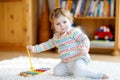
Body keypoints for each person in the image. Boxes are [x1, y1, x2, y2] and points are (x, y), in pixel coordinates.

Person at [27, 8, 108, 79]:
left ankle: (98, 75)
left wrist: (85, 48)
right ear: (53, 26)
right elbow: (46, 45)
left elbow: (85, 39)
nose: (62, 25)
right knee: (57, 72)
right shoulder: (56, 38)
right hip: (66, 62)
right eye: (58, 24)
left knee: (79, 71)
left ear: (70, 21)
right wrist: (34, 48)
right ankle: (73, 70)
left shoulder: (73, 32)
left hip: (79, 58)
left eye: (64, 22)